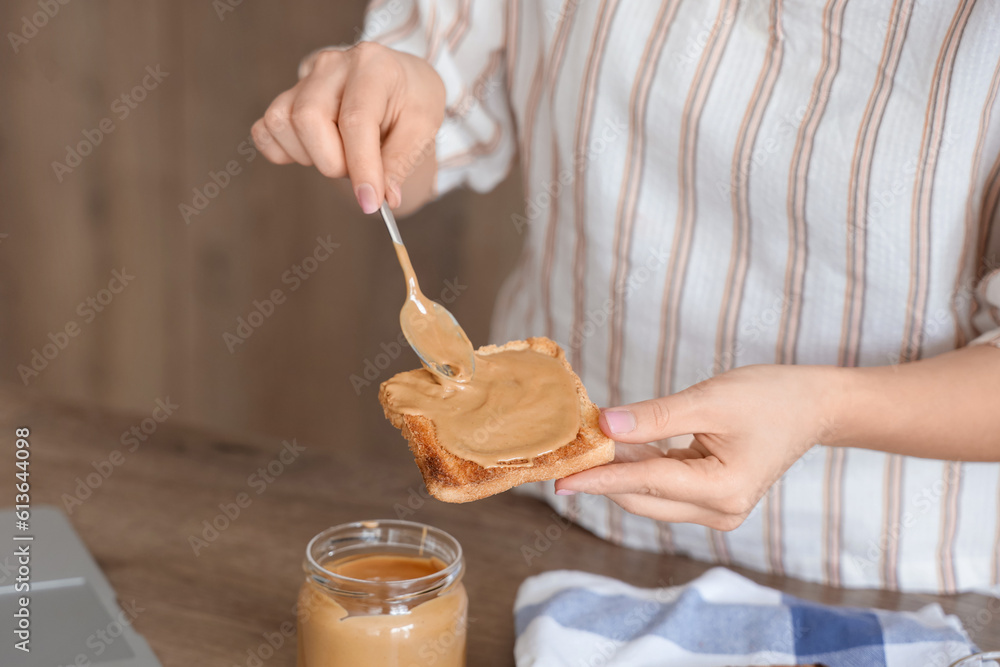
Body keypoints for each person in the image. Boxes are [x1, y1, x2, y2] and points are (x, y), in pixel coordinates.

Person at [252, 0, 1000, 594]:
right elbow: (426, 129)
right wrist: (382, 99)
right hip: (552, 519)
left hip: (876, 576)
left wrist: (824, 408)